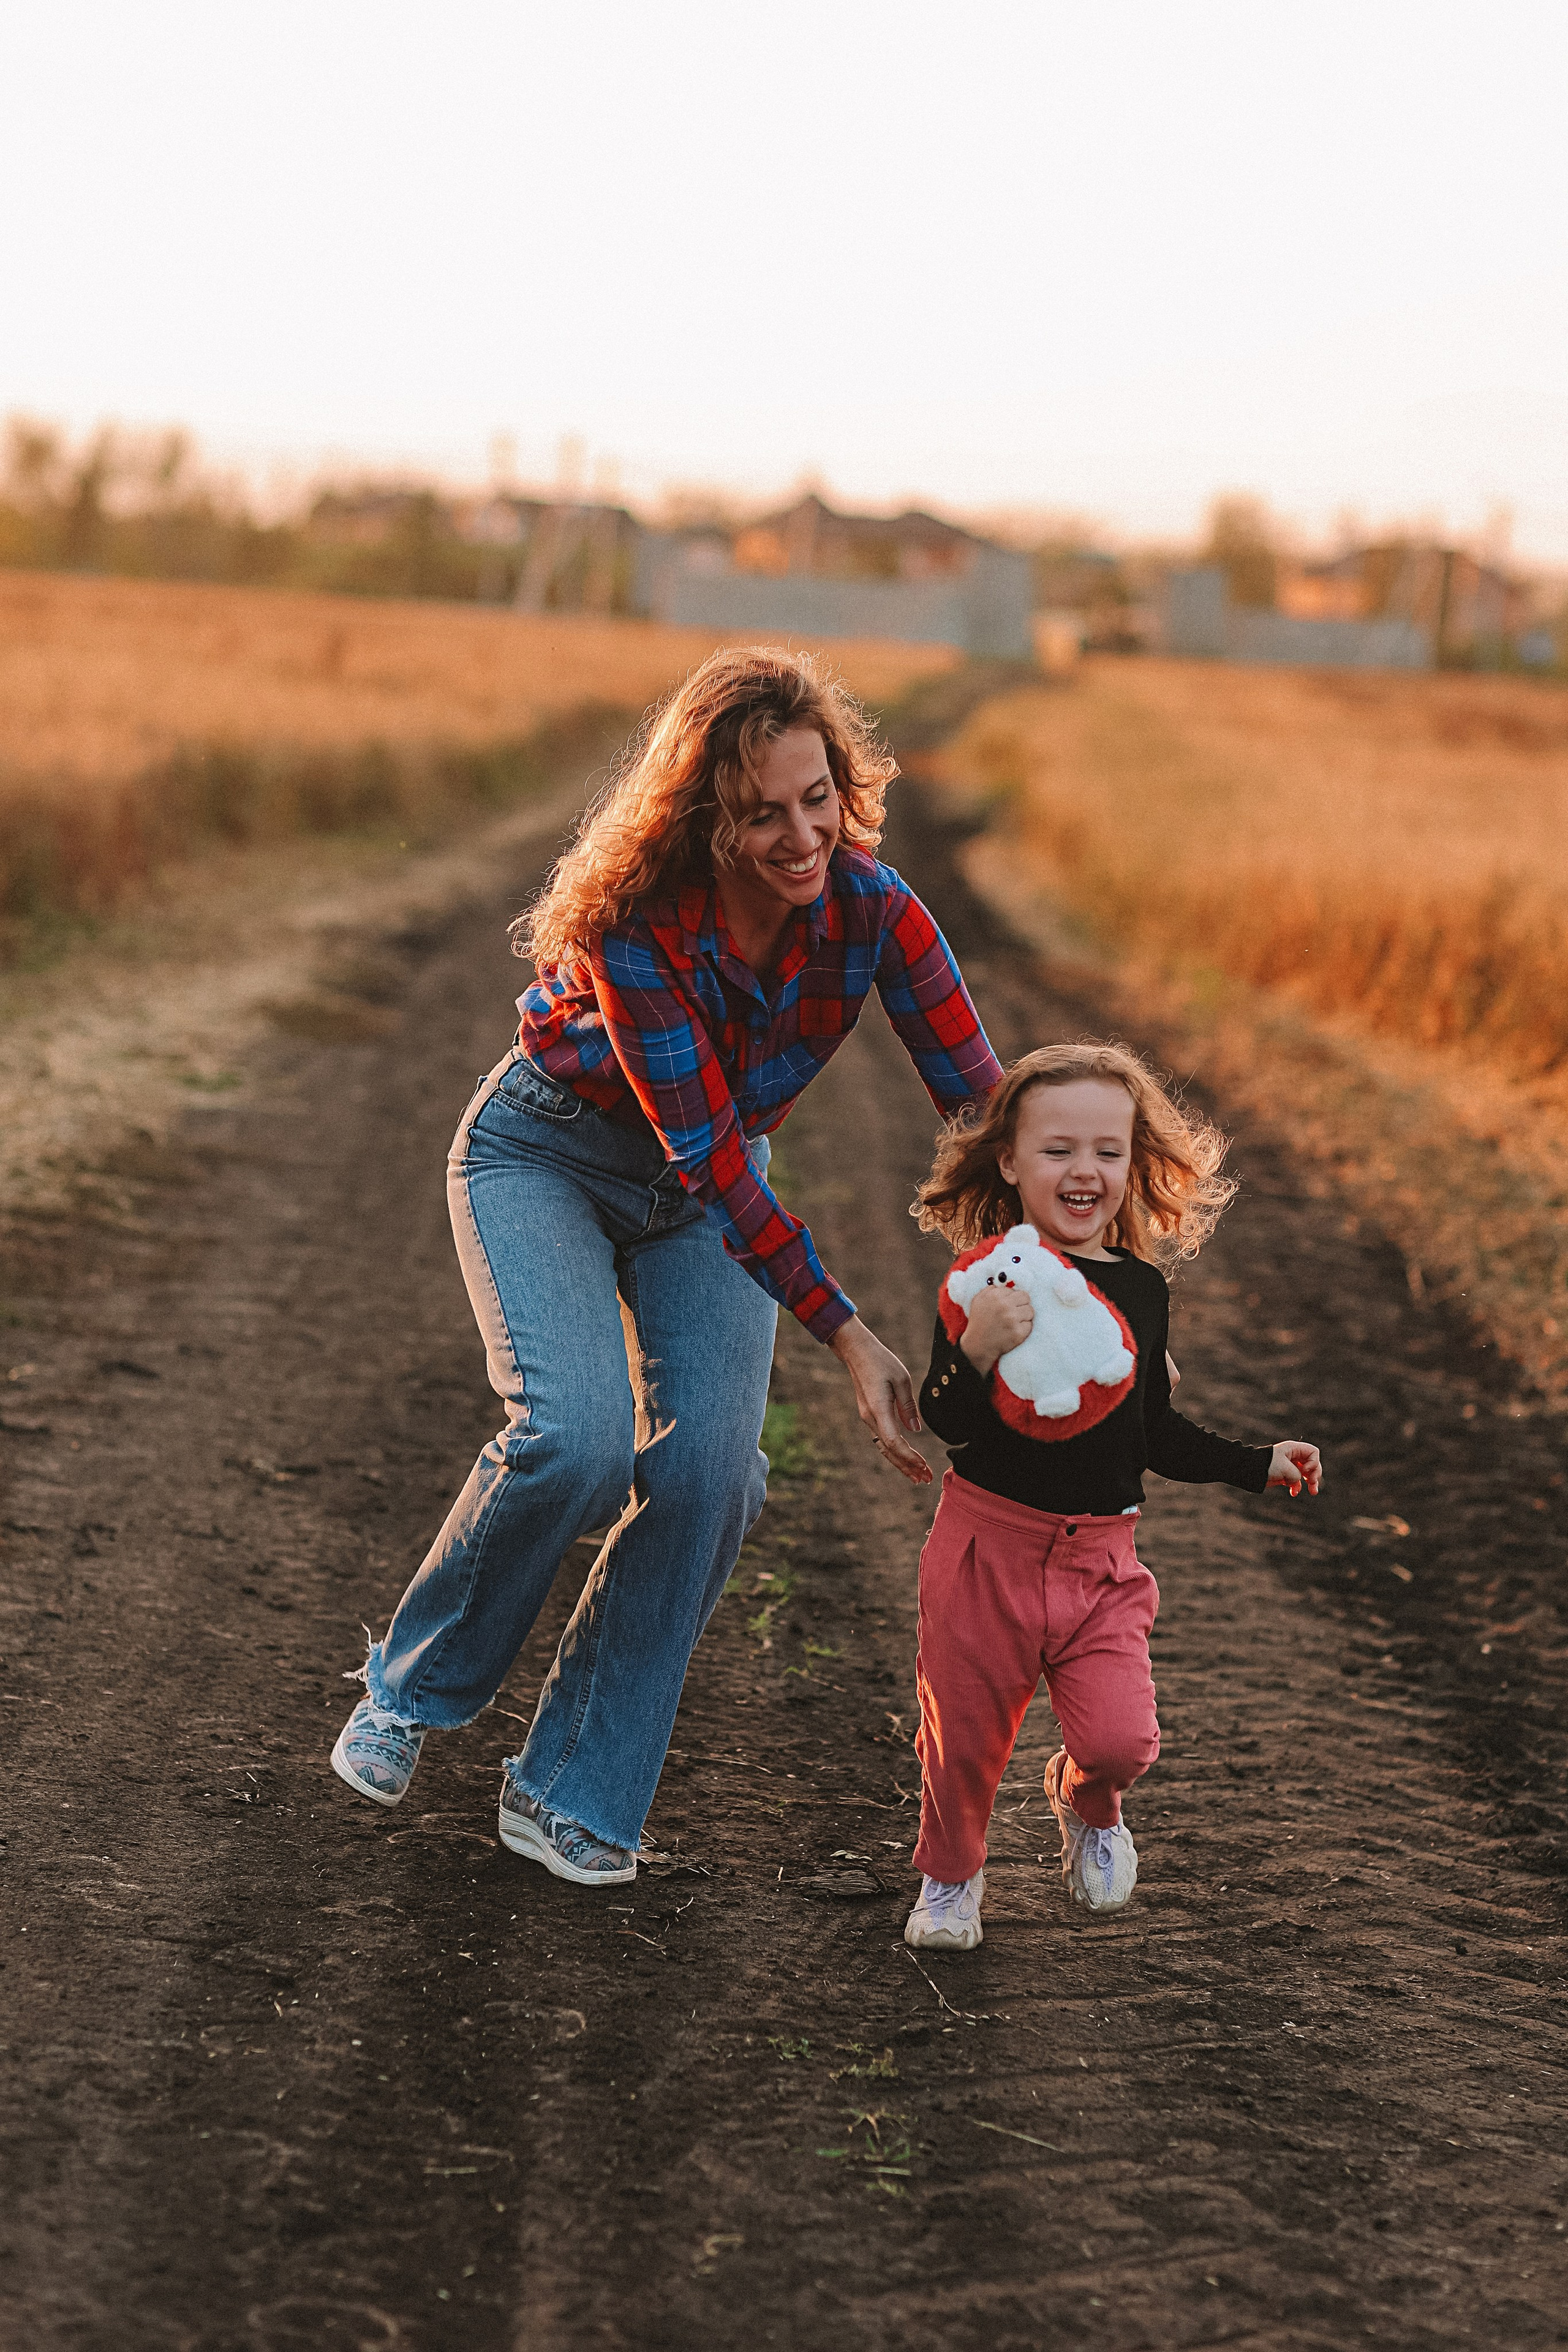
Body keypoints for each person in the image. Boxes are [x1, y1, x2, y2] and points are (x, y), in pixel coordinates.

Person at [330, 647, 1002, 1886]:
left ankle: (570, 1787)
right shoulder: (638, 927)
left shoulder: (873, 907)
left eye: (818, 797)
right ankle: (412, 1693)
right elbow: (712, 1163)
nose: (802, 835)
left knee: (710, 1474)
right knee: (574, 1438)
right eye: (762, 814)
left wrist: (1088, 1273)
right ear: (705, 818)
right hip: (548, 1155)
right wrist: (850, 1334)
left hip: (696, 1201)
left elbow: (982, 1106)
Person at [902, 1041, 1322, 1951]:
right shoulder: (986, 1281)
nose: (1084, 1170)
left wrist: (1260, 1461)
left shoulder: (1139, 1293)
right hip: (986, 1551)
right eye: (1058, 1150)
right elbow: (950, 1422)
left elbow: (1155, 1434)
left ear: (1134, 1165)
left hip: (1099, 1559)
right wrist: (977, 1348)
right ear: (1010, 1162)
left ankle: (1087, 1802)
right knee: (965, 1740)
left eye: (1108, 1150)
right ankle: (949, 1882)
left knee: (1124, 1740)